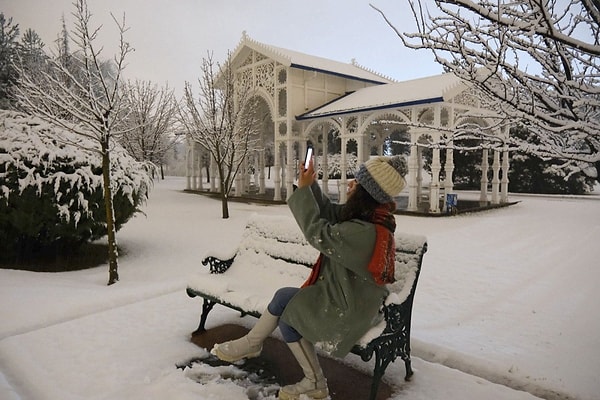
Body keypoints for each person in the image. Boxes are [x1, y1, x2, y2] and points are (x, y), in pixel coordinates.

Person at [212, 155, 408, 400]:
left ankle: (309, 379)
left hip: (350, 309)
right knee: (286, 301)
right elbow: (329, 212)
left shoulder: (365, 232)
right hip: (348, 297)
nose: (350, 184)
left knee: (290, 311)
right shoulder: (370, 217)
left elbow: (318, 232)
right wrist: (310, 184)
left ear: (367, 193)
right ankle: (260, 348)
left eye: (357, 182)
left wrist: (305, 189)